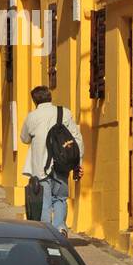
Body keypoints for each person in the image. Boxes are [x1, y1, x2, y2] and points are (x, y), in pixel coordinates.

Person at [20, 85, 84, 236]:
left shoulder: (32, 117)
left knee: (45, 201)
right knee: (60, 198)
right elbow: (77, 139)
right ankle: (60, 227)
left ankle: (46, 233)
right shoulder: (65, 113)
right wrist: (78, 163)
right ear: (50, 97)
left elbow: (24, 138)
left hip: (41, 165)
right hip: (62, 163)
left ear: (34, 100)